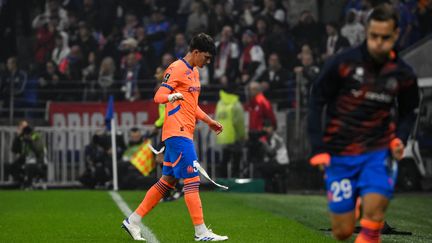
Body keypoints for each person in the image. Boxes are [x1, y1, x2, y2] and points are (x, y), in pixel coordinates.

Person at [308, 4, 419, 242]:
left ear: (396, 35)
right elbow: (317, 99)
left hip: (378, 153)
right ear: (367, 33)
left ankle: (366, 203)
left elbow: (409, 111)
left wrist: (400, 137)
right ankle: (355, 198)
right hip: (341, 152)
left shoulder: (403, 73)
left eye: (385, 37)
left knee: (374, 216)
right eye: (374, 36)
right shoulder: (343, 63)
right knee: (343, 231)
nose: (379, 42)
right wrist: (318, 148)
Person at [122, 33, 228, 241]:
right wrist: (172, 96)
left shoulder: (194, 73)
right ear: (195, 52)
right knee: (192, 180)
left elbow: (192, 105)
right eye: (205, 57)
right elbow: (158, 96)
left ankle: (133, 221)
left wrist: (209, 121)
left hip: (183, 132)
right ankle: (200, 232)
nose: (207, 62)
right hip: (177, 132)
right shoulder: (176, 68)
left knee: (167, 181)